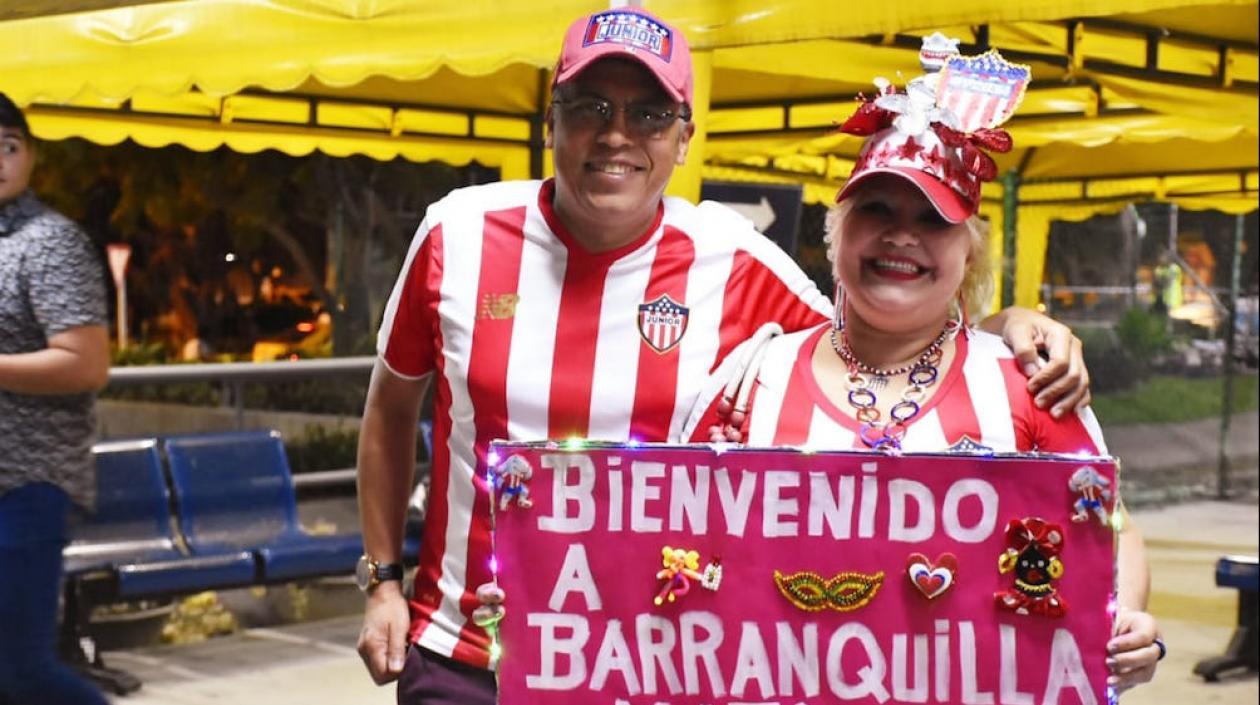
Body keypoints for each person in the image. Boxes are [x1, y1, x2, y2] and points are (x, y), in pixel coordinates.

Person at [355, 8, 1093, 702]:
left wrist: (1006, 325)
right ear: (551, 122)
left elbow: (882, 335)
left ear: (683, 137)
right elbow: (391, 411)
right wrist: (384, 579)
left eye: (648, 113)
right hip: (464, 655)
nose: (616, 134)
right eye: (590, 107)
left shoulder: (734, 258)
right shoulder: (455, 233)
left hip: (644, 660)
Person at [685, 45, 1162, 694]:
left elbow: (1111, 529)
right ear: (837, 232)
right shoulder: (751, 379)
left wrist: (1127, 620)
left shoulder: (1025, 382)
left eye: (934, 218)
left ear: (968, 254)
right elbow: (673, 546)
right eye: (877, 209)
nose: (901, 235)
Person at [0, 94, 112, 705]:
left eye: (9, 145)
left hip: (27, 483)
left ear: (31, 155)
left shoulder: (48, 243)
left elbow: (85, 362)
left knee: (19, 669)